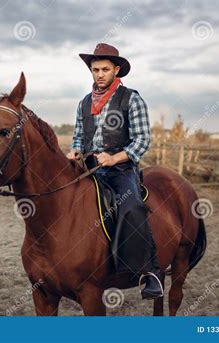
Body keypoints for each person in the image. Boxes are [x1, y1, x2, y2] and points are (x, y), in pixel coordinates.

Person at [66, 43, 163, 300]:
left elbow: (142, 140)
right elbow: (78, 136)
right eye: (95, 69)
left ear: (116, 70)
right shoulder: (84, 103)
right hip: (89, 168)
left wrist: (114, 158)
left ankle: (148, 272)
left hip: (120, 169)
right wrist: (75, 150)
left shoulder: (131, 98)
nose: (99, 74)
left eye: (105, 69)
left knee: (131, 205)